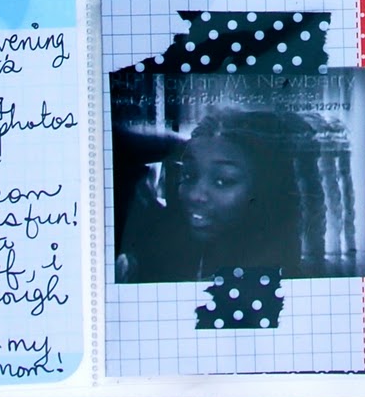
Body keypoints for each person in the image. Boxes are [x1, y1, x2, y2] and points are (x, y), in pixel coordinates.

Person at [115, 110, 323, 282]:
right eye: (189, 175)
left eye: (223, 180)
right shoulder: (161, 259)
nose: (195, 195)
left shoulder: (293, 280)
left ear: (266, 190)